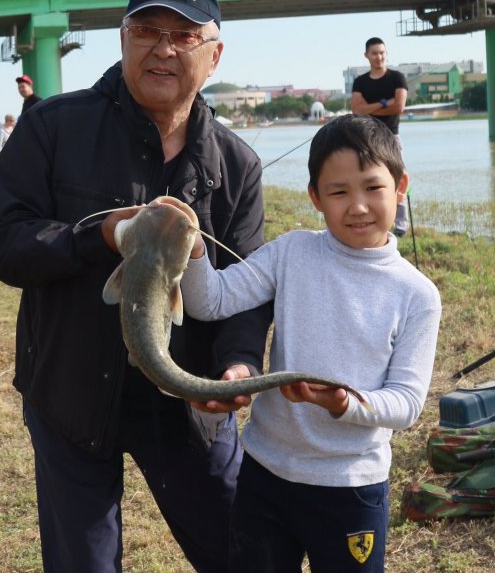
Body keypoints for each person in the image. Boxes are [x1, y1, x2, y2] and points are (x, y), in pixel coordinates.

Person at [0, 0, 273, 573]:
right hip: (71, 392)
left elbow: (249, 289)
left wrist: (236, 365)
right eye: (147, 29)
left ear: (214, 55)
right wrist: (100, 234)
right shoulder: (52, 126)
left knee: (245, 551)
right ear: (123, 38)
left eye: (185, 35)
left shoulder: (238, 164)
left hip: (188, 402)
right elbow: (2, 241)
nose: (163, 47)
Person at [177, 113, 441, 572]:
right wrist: (196, 249)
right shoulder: (291, 252)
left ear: (401, 187)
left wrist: (345, 405)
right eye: (339, 192)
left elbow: (406, 404)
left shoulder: (417, 294)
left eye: (373, 188)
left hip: (352, 487)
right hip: (265, 474)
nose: (357, 206)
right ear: (316, 198)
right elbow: (212, 301)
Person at [351, 37, 410, 236]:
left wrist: (371, 108)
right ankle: (375, 219)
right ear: (367, 55)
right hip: (366, 136)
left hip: (392, 136)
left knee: (398, 177)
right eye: (375, 53)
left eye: (382, 53)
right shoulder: (360, 81)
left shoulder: (397, 78)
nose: (379, 57)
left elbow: (399, 106)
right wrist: (385, 103)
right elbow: (357, 110)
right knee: (368, 179)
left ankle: (401, 224)